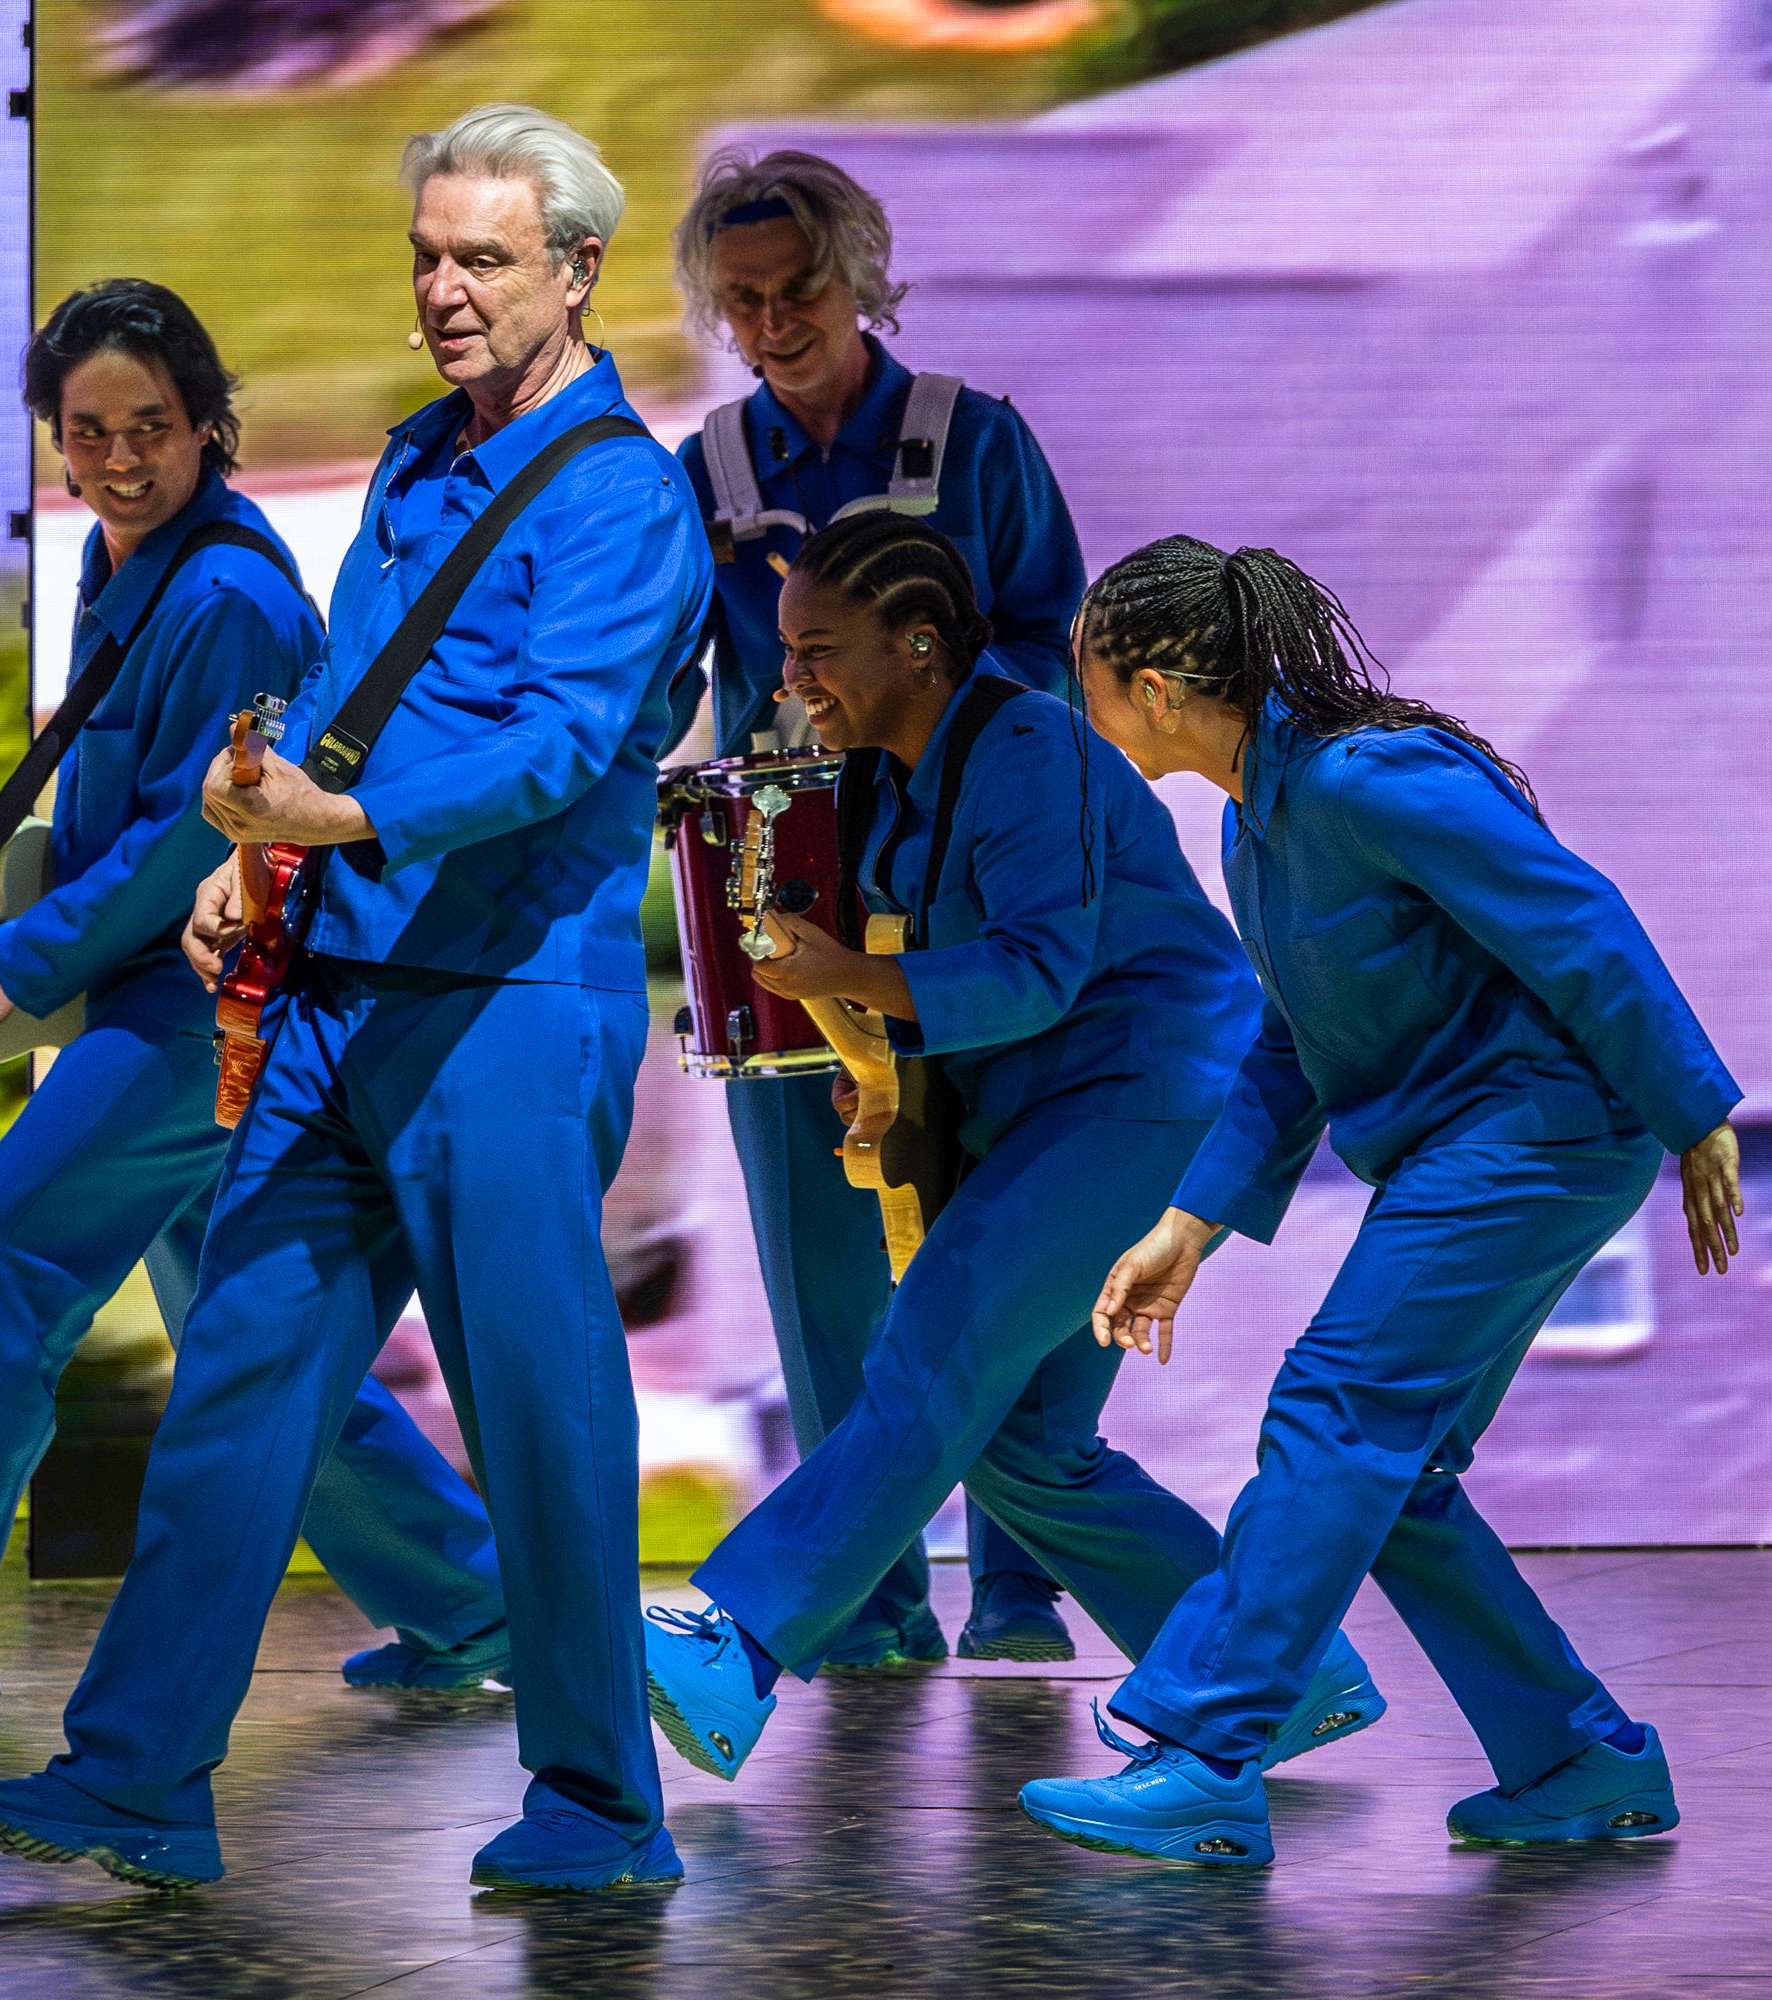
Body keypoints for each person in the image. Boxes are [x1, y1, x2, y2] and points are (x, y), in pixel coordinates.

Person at [0, 104, 709, 1895]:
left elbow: (566, 743)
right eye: (429, 254)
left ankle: (601, 1809)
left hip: (508, 1010)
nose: (443, 288)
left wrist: (334, 818)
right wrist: (247, 860)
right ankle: (135, 1779)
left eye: (484, 259)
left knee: (540, 1411)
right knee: (240, 1380)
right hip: (336, 996)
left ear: (578, 272)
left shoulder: (618, 495)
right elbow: (353, 691)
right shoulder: (415, 462)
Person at [0, 280, 506, 1717]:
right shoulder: (139, 563)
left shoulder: (221, 595)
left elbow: (186, 836)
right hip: (178, 1002)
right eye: (86, 430)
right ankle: (471, 1605)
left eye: (149, 427)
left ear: (208, 427)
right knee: (251, 1332)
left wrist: (15, 960)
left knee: (3, 1250)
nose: (116, 455)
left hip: (192, 1013)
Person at [632, 513, 1386, 1788]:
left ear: (918, 645)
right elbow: (949, 982)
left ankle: (739, 1637)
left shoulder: (1027, 741)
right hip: (1059, 1099)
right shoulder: (884, 766)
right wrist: (884, 1082)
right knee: (1025, 1445)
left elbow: (1033, 971)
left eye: (818, 650)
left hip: (1145, 1093)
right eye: (786, 650)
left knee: (935, 1343)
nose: (787, 680)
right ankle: (1278, 1672)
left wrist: (849, 972)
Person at [1020, 537, 1743, 1867]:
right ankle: (1576, 1760)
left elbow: (1575, 918)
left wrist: (1695, 1111)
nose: (1081, 703)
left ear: (1164, 687)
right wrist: (1189, 1227)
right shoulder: (1257, 820)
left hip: (1534, 1132)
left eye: (1093, 677)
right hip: (1476, 1146)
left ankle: (1208, 1752)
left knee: (1336, 1408)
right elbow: (1294, 1041)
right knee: (1394, 1474)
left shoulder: (1366, 778)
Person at [670, 149, 1087, 1667]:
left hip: (967, 886)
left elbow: (1055, 647)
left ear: (863, 275)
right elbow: (662, 677)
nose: (775, 326)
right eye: (745, 304)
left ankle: (1026, 1585)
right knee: (820, 1253)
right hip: (784, 889)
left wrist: (920, 719)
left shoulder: (976, 441)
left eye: (801, 292)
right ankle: (866, 1602)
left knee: (1000, 1240)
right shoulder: (702, 478)